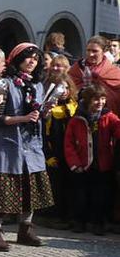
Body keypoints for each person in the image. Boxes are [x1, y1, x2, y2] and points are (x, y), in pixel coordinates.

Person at [0, 43, 54, 250]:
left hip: (31, 145)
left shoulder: (38, 86)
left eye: (35, 58)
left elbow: (38, 116)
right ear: (17, 60)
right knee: (4, 191)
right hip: (8, 146)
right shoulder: (5, 84)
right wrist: (23, 118)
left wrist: (46, 111)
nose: (32, 61)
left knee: (30, 188)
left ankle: (26, 228)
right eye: (28, 57)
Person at [64, 84, 120, 235]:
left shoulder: (109, 117)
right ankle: (79, 222)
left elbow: (118, 129)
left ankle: (98, 223)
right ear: (88, 100)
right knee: (80, 196)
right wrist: (74, 164)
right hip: (82, 164)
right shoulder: (76, 119)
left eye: (103, 99)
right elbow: (69, 143)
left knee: (101, 197)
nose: (100, 103)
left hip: (102, 164)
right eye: (96, 99)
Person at [41, 55, 78, 230]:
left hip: (70, 150)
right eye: (54, 66)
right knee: (54, 183)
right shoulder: (46, 99)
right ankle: (52, 216)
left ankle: (67, 215)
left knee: (69, 184)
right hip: (52, 149)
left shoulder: (74, 107)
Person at [69, 36, 120, 115]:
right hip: (78, 115)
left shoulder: (113, 72)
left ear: (104, 52)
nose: (90, 54)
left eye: (95, 51)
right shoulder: (76, 69)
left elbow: (116, 97)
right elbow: (69, 89)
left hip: (104, 117)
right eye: (88, 50)